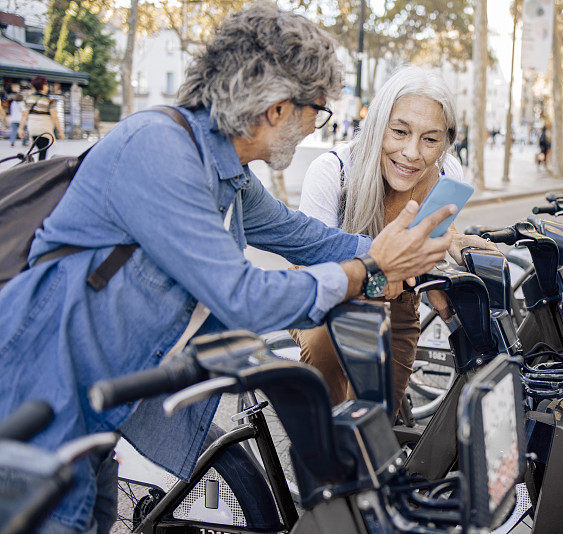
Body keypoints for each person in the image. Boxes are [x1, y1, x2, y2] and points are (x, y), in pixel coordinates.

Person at [0, 5, 454, 533]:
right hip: (34, 404)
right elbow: (241, 295)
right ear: (279, 109)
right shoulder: (159, 150)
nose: (315, 128)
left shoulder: (229, 175)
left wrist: (407, 254)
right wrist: (366, 269)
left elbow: (307, 238)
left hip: (97, 414)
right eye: (317, 113)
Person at [295, 66, 496, 414]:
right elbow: (317, 271)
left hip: (397, 303)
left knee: (379, 426)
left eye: (431, 139)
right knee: (335, 423)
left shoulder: (447, 174)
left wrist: (452, 243)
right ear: (376, 126)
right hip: (325, 300)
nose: (412, 152)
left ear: (446, 142)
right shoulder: (333, 171)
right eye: (400, 131)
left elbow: (429, 240)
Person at [18, 76, 65, 160]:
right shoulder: (48, 100)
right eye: (46, 84)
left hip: (32, 128)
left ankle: (36, 166)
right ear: (43, 86)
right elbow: (55, 117)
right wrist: (60, 131)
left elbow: (24, 115)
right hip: (44, 128)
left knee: (39, 149)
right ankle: (40, 168)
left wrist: (20, 128)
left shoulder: (29, 99)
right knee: (43, 152)